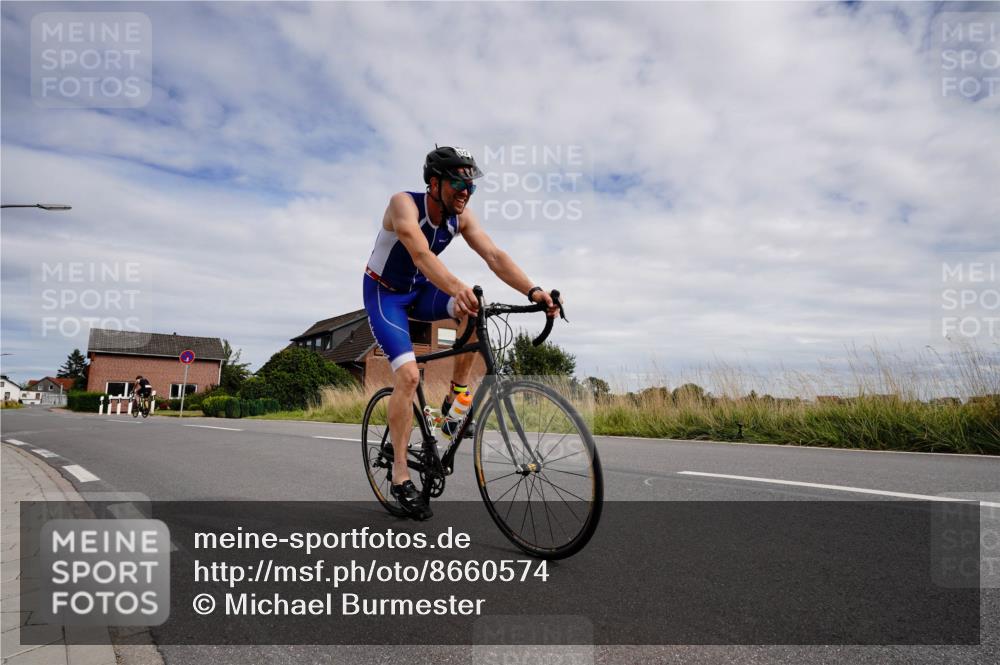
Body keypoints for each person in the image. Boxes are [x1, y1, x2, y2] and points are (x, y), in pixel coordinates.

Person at [363, 146, 560, 520]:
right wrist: (456, 286)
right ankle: (401, 474)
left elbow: (495, 256)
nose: (465, 192)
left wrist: (534, 291)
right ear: (434, 183)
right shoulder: (403, 205)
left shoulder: (461, 217)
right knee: (407, 376)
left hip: (420, 291)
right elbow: (420, 255)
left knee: (474, 308)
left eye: (470, 186)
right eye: (458, 184)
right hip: (384, 293)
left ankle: (456, 398)